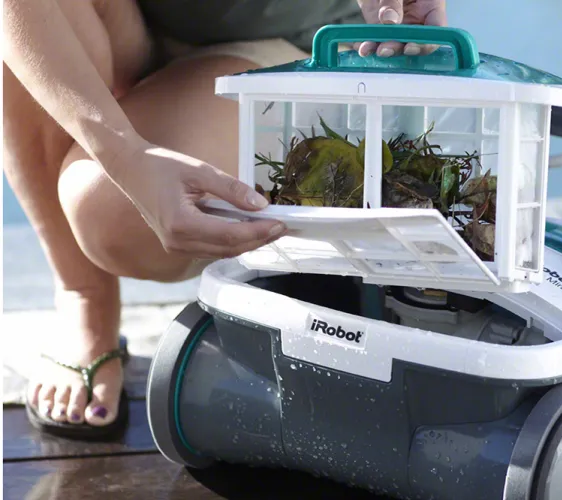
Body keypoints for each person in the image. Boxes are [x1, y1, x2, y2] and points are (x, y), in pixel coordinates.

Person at [4, 0, 448, 439]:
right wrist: (123, 155)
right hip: (133, 25)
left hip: (292, 42)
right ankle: (85, 295)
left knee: (107, 207)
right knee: (17, 32)